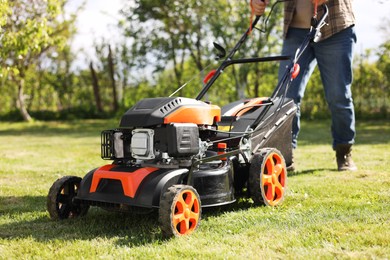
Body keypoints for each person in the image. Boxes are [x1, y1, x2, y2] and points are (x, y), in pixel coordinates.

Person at [252, 0, 357, 171]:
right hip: (295, 31)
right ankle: (286, 155)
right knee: (286, 96)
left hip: (336, 28)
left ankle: (344, 151)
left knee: (338, 95)